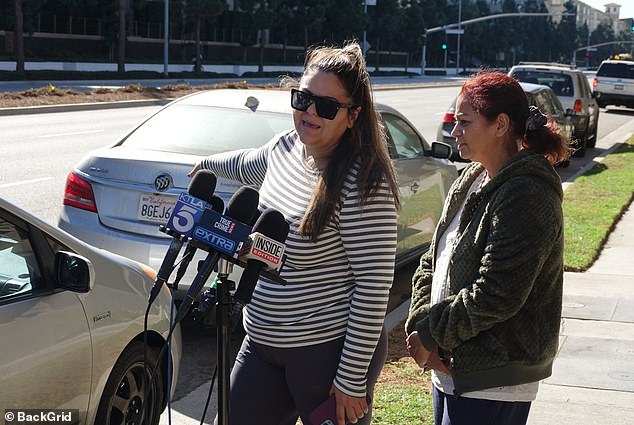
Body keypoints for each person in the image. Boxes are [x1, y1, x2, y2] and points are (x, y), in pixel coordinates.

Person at [189, 41, 400, 425]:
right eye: (303, 98)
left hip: (327, 353)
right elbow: (243, 163)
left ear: (352, 116)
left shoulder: (364, 183)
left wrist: (351, 380)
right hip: (262, 342)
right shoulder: (285, 149)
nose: (309, 112)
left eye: (327, 106)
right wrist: (204, 164)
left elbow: (373, 287)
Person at [405, 71, 571, 425]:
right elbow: (432, 260)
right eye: (454, 121)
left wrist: (431, 333)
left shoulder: (527, 192)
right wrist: (420, 324)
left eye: (464, 121)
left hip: (495, 379)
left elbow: (498, 293)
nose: (454, 132)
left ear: (500, 125)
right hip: (453, 370)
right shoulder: (471, 179)